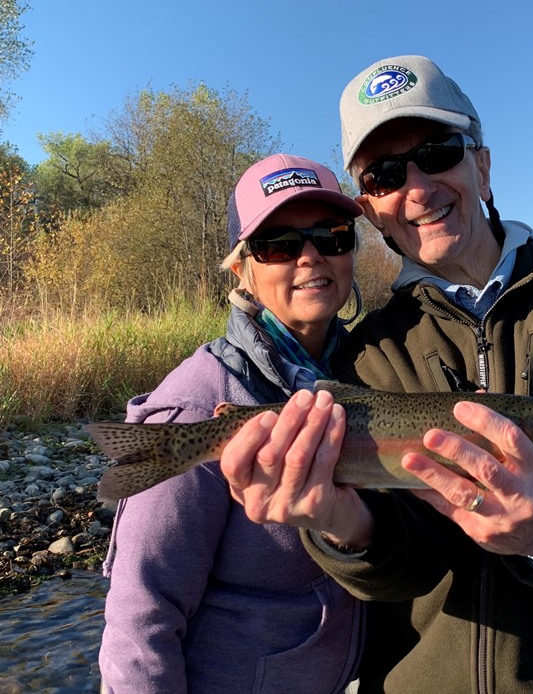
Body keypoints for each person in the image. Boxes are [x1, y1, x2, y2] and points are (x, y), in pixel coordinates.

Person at [219, 56, 533, 693]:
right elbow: (400, 562)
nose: (417, 189)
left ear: (481, 165)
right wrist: (343, 528)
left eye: (438, 152)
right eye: (386, 174)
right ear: (370, 207)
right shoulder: (365, 351)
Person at [98, 154, 365, 694]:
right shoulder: (196, 405)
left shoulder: (366, 371)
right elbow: (139, 614)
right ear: (241, 266)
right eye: (279, 245)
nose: (311, 257)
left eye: (332, 236)